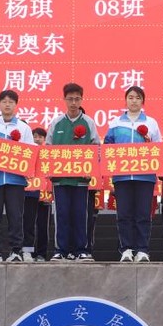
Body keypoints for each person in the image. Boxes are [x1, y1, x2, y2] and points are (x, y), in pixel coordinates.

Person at [104, 85, 162, 263]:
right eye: (130, 97)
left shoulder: (151, 123)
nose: (134, 101)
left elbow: (158, 148)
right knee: (124, 214)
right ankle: (127, 249)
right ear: (125, 100)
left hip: (145, 176)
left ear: (142, 101)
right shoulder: (116, 123)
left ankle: (142, 250)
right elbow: (107, 147)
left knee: (143, 214)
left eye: (137, 97)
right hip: (122, 177)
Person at [48, 83, 100, 261]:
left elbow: (96, 148)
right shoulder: (56, 123)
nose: (73, 103)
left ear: (81, 100)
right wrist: (49, 169)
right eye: (70, 99)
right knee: (61, 214)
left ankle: (81, 249)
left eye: (77, 99)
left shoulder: (88, 122)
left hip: (80, 179)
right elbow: (48, 148)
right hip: (60, 179)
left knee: (80, 214)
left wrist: (90, 169)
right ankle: (61, 250)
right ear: (64, 100)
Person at [0, 89, 35, 262]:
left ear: (16, 105)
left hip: (15, 180)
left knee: (15, 216)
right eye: (4, 101)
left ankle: (16, 251)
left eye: (11, 102)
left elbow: (30, 153)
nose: (7, 105)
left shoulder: (24, 128)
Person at [23, 127, 52, 261]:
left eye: (40, 137)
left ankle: (41, 253)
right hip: (30, 193)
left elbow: (51, 173)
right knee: (28, 223)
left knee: (42, 225)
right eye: (35, 136)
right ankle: (28, 251)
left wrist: (49, 191)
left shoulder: (48, 153)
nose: (37, 139)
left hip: (44, 195)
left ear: (44, 139)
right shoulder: (27, 152)